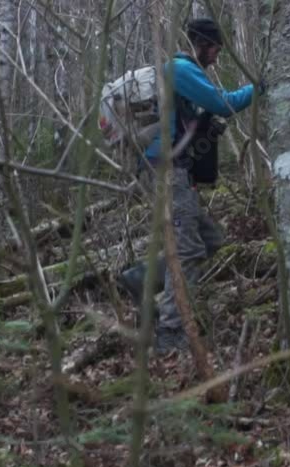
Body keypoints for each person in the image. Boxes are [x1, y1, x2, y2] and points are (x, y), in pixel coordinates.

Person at [118, 18, 263, 353]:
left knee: (209, 238)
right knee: (187, 250)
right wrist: (259, 86)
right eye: (215, 49)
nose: (216, 57)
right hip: (167, 171)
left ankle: (140, 278)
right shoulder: (180, 69)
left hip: (174, 170)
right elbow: (224, 103)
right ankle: (171, 333)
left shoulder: (180, 71)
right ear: (203, 44)